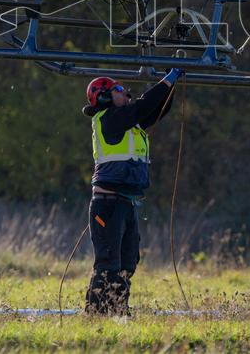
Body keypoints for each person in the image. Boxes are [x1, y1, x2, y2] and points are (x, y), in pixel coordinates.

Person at [82, 68, 184, 316]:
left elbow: (157, 108)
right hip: (107, 204)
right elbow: (142, 106)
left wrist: (170, 86)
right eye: (118, 89)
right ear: (105, 97)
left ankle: (118, 313)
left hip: (125, 204)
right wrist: (167, 79)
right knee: (108, 264)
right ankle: (95, 315)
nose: (126, 92)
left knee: (128, 263)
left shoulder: (129, 123)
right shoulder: (109, 119)